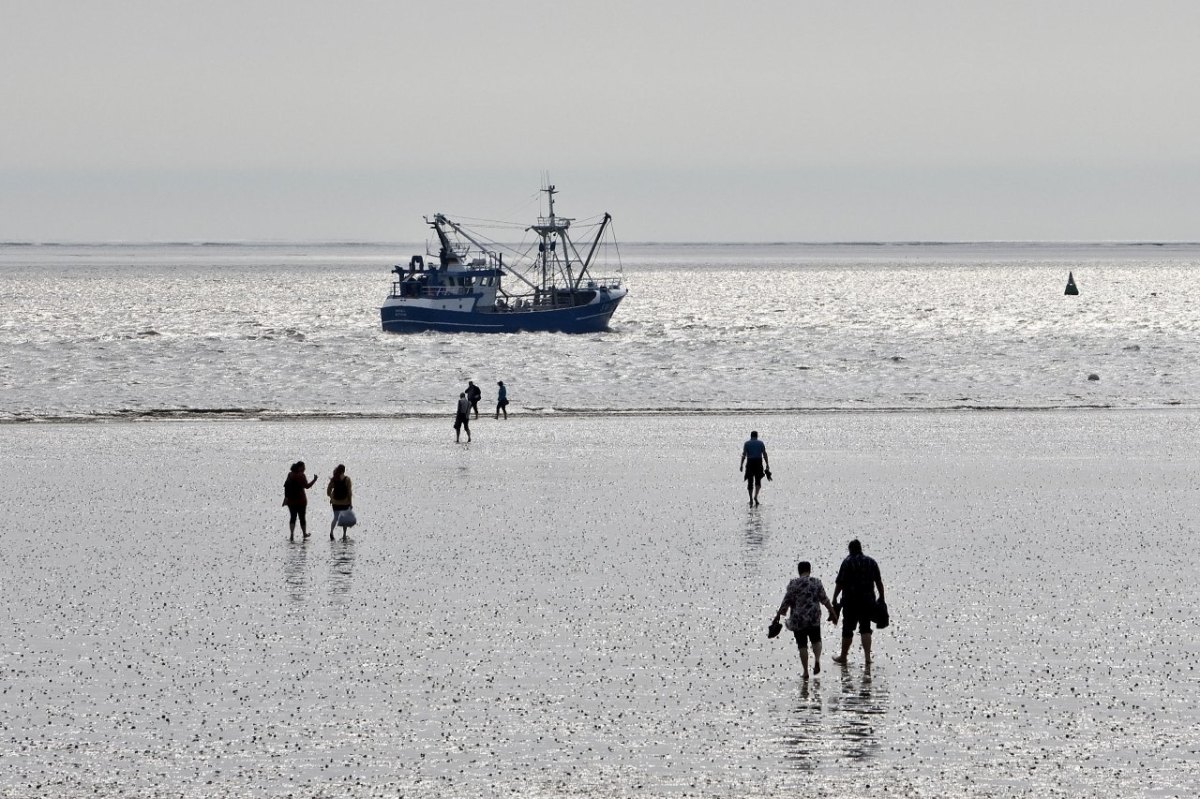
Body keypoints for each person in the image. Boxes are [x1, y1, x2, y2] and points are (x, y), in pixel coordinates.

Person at [772, 560, 838, 679]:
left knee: (802, 645)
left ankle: (805, 672)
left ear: (799, 571)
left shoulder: (793, 584)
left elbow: (786, 602)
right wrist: (832, 612)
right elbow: (825, 600)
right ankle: (817, 660)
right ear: (810, 570)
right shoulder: (816, 582)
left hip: (798, 619)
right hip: (814, 618)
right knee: (816, 641)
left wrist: (777, 617)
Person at [831, 539, 885, 667]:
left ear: (850, 549)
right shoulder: (871, 562)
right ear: (861, 548)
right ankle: (867, 658)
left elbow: (840, 583)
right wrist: (882, 597)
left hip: (850, 601)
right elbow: (878, 581)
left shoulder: (847, 562)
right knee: (865, 628)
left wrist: (834, 598)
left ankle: (843, 656)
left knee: (847, 629)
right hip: (867, 601)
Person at [282, 461, 318, 539]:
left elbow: (287, 486)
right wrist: (314, 480)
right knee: (302, 517)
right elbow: (307, 486)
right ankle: (304, 534)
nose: (305, 468)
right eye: (303, 467)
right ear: (300, 467)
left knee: (292, 517)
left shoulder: (290, 474)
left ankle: (291, 534)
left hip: (291, 501)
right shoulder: (301, 476)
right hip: (301, 501)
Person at [739, 430, 770, 506]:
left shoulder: (747, 443)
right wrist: (767, 464)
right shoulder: (760, 443)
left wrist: (741, 465)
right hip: (758, 462)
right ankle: (755, 496)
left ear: (751, 436)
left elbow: (744, 455)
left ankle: (750, 499)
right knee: (758, 480)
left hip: (750, 462)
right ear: (757, 436)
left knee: (750, 481)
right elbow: (764, 454)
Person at [326, 464, 353, 539]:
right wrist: (350, 503)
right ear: (344, 471)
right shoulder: (347, 479)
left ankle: (331, 532)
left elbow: (328, 491)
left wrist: (332, 497)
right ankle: (344, 535)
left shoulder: (334, 479)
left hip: (335, 503)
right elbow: (349, 493)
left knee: (335, 518)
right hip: (345, 503)